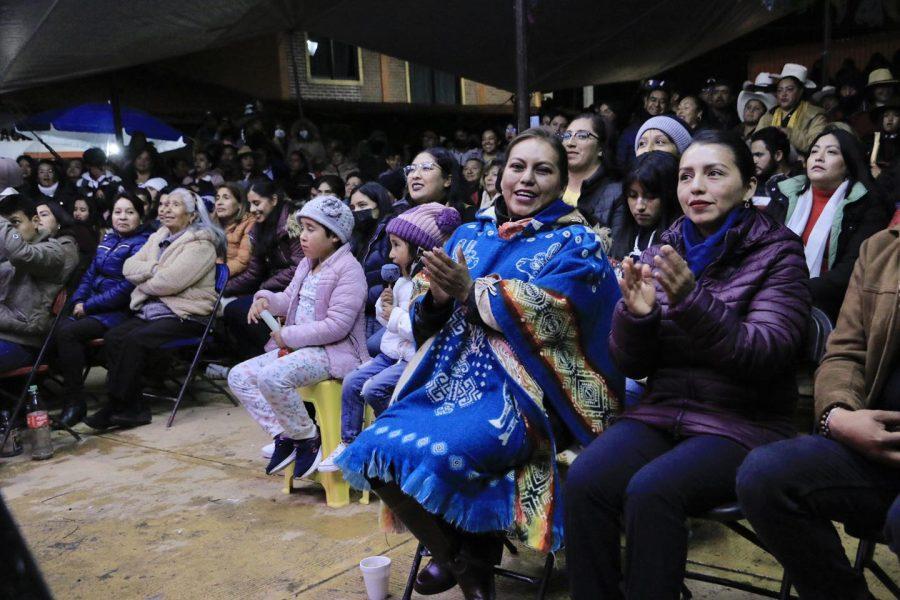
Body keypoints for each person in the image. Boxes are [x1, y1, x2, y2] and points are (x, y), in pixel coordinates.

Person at [336, 128, 624, 599]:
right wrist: (439, 299)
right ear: (501, 174)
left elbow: (559, 315)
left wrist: (475, 290)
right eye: (517, 167)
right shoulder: (470, 234)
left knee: (443, 453)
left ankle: (467, 560)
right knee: (373, 453)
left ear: (562, 179)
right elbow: (425, 320)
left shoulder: (579, 243)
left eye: (543, 169)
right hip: (443, 381)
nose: (526, 180)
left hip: (527, 394)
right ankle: (466, 562)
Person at [565, 130, 813, 599]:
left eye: (714, 174)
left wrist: (690, 300)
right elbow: (631, 362)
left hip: (742, 422)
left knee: (652, 491)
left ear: (747, 186)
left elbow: (766, 352)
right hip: (665, 410)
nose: (695, 187)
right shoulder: (670, 244)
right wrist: (636, 317)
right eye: (686, 177)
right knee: (586, 480)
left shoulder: (779, 252)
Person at [736, 221, 900, 600]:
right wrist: (838, 416)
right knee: (765, 474)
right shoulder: (881, 249)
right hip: (878, 444)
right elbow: (844, 352)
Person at [227, 195, 368, 478]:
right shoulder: (307, 263)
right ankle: (287, 435)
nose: (302, 236)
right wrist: (266, 299)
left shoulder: (349, 271)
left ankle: (307, 438)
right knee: (239, 376)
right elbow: (289, 298)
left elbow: (337, 326)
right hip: (300, 351)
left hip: (332, 353)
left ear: (335, 237)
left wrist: (287, 336)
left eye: (311, 230)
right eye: (301, 228)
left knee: (271, 377)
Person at [319, 202, 460, 472]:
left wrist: (393, 314)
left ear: (419, 250)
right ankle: (349, 442)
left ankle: (397, 437)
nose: (391, 254)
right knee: (352, 382)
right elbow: (391, 324)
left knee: (374, 389)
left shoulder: (430, 286)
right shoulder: (402, 282)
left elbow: (420, 328)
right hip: (390, 355)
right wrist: (383, 309)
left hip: (411, 359)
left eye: (397, 246)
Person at [84, 188, 223, 429]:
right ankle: (130, 405)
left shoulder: (201, 244)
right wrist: (155, 271)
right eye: (164, 203)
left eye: (175, 205)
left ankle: (118, 406)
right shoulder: (158, 235)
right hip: (156, 309)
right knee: (114, 336)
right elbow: (128, 267)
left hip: (188, 314)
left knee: (135, 340)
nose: (166, 209)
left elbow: (168, 283)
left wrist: (147, 277)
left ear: (191, 216)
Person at [771, 126, 891, 320]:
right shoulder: (784, 195)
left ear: (849, 164)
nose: (819, 157)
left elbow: (851, 270)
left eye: (832, 152)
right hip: (773, 294)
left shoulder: (868, 205)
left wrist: (792, 291)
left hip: (829, 308)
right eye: (814, 151)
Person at [52, 193, 151, 426]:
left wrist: (88, 306)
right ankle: (73, 400)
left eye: (130, 212)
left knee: (68, 333)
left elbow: (126, 287)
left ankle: (75, 402)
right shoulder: (107, 240)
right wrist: (78, 300)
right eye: (118, 212)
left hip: (120, 311)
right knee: (57, 327)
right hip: (94, 307)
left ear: (140, 216)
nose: (123, 217)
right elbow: (89, 275)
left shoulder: (143, 243)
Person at [0, 195, 79, 373]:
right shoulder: (5, 255)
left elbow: (21, 254)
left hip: (22, 342)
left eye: (14, 223)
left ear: (35, 221)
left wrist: (3, 224)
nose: (8, 231)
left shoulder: (53, 251)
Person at [608, 151, 682, 263]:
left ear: (669, 195)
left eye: (650, 196)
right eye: (632, 196)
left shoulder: (680, 240)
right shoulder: (621, 236)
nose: (640, 206)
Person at [348, 182, 396, 341]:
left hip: (380, 315)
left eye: (363, 205)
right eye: (353, 208)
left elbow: (391, 279)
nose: (357, 212)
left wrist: (358, 300)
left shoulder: (390, 232)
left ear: (379, 205)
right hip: (359, 313)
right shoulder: (356, 237)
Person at [562, 113, 624, 235]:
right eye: (567, 135)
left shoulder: (618, 193)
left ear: (601, 148)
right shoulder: (551, 184)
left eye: (582, 136)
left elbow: (617, 248)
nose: (570, 142)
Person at [755, 63, 827, 155]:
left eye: (789, 89)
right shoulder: (769, 116)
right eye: (780, 90)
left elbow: (817, 146)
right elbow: (756, 143)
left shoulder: (815, 115)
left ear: (800, 92)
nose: (783, 94)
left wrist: (790, 134)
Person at [403, 146, 473, 222]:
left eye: (426, 168)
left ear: (447, 180)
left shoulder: (470, 217)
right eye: (412, 169)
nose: (415, 175)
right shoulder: (401, 217)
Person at [616, 79, 670, 171]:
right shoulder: (632, 130)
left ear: (667, 105)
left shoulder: (670, 129)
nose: (657, 104)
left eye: (662, 102)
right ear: (646, 101)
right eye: (653, 100)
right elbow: (621, 161)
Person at [214, 183, 254, 281]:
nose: (219, 202)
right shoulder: (213, 224)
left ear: (240, 205)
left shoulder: (250, 223)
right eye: (217, 198)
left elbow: (242, 261)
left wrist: (215, 275)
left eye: (226, 198)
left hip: (235, 281)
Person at [749, 127, 793, 206]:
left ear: (778, 155)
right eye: (752, 156)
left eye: (759, 155)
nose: (754, 161)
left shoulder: (800, 184)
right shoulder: (752, 184)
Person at [736, 74, 777, 142]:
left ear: (764, 113)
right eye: (748, 107)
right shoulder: (734, 131)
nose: (751, 111)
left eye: (757, 108)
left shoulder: (766, 135)